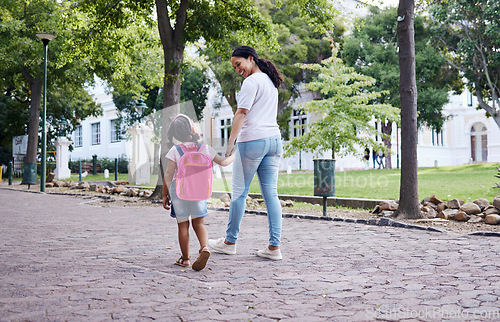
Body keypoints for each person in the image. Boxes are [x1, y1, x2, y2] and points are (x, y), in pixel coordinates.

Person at [208, 45, 285, 261]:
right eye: (234, 67)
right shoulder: (270, 82)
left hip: (253, 141)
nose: (237, 70)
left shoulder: (251, 82)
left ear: (250, 59)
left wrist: (231, 142)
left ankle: (229, 242)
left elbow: (242, 113)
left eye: (238, 64)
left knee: (239, 193)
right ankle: (274, 247)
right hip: (274, 141)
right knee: (271, 195)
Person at [162, 114, 235, 271]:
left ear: (175, 134)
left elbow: (168, 174)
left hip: (179, 193)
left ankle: (185, 259)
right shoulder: (205, 149)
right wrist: (236, 154)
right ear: (192, 129)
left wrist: (164, 195)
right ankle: (204, 248)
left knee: (183, 226)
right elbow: (223, 162)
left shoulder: (175, 150)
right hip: (199, 192)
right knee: (199, 223)